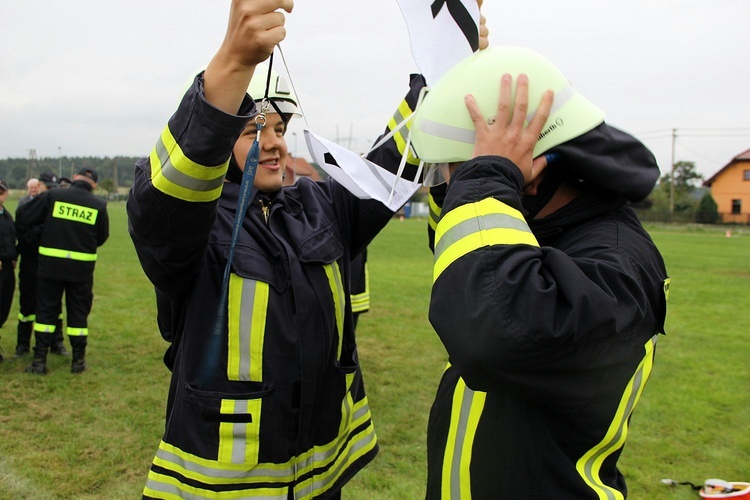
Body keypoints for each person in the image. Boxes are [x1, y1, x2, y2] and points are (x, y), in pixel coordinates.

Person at [126, 0, 431, 496]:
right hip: (224, 484)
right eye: (253, 131)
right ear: (218, 146)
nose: (274, 144)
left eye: (280, 130)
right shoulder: (191, 227)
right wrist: (233, 63)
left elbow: (386, 171)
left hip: (322, 474)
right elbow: (160, 201)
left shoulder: (317, 202)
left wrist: (436, 76)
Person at [407, 46, 670, 498]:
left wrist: (488, 173)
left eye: (454, 173)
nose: (451, 190)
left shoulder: (618, 262)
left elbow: (494, 328)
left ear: (529, 174)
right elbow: (462, 252)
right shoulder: (538, 226)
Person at [20, 168, 108, 374]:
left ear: (75, 178)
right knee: (78, 314)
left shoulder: (54, 195)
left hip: (50, 267)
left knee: (46, 312)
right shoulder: (99, 205)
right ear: (94, 184)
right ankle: (78, 362)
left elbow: (27, 215)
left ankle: (39, 362)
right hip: (81, 270)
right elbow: (102, 237)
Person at [14, 171, 68, 357]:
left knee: (54, 306)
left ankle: (56, 342)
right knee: (28, 304)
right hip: (31, 263)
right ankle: (23, 344)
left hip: (52, 264)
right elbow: (23, 236)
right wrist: (43, 231)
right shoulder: (26, 208)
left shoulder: (56, 207)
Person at [0, 179, 17, 362]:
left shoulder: (6, 216)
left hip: (7, 268)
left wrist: (14, 257)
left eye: (1, 191)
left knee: (4, 307)